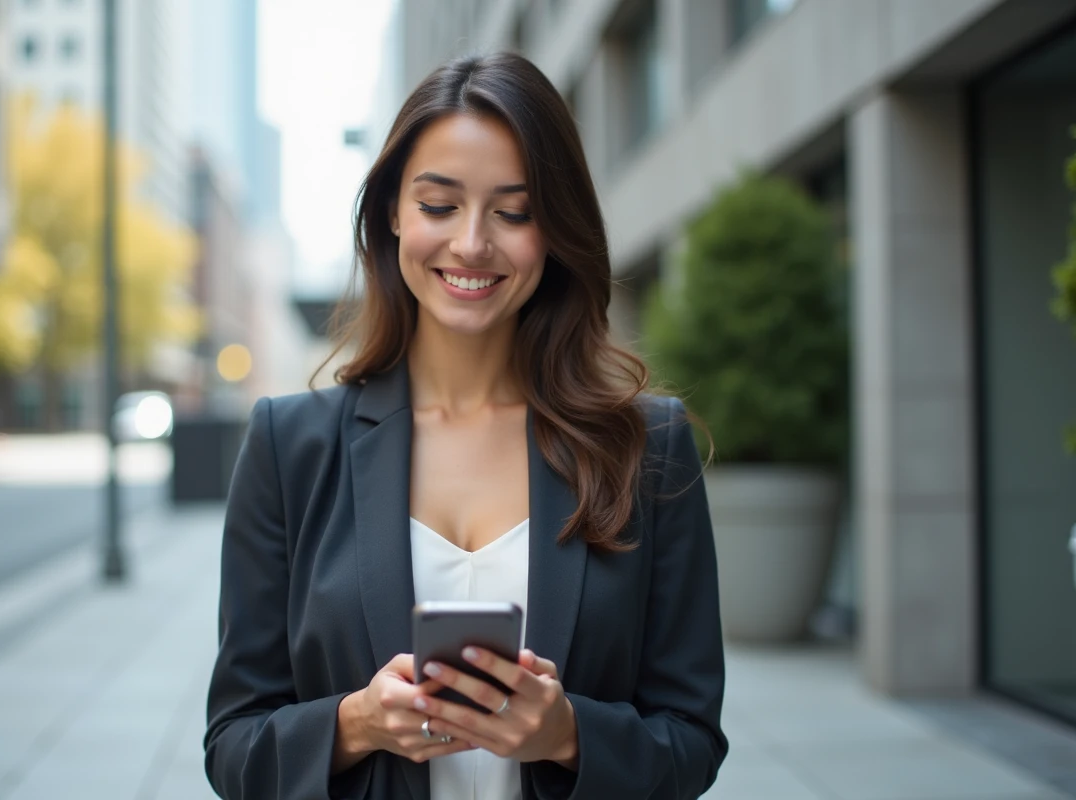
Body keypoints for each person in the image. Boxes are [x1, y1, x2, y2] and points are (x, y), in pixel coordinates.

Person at [204, 51, 728, 800]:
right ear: (391, 211)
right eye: (439, 205)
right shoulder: (290, 447)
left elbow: (692, 741)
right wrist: (357, 723)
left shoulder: (647, 447)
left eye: (514, 212)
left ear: (554, 229)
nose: (473, 243)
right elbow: (233, 748)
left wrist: (568, 734)